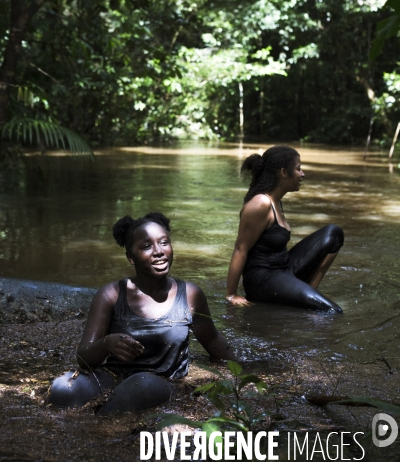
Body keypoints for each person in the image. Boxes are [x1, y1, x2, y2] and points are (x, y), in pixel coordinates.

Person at [49, 212, 235, 414]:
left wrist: (246, 373)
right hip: (115, 376)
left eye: (164, 243)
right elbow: (84, 357)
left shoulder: (190, 295)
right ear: (131, 257)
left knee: (141, 384)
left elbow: (214, 341)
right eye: (146, 247)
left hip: (161, 383)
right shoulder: (111, 295)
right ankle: (101, 417)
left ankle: (99, 424)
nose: (159, 251)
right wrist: (107, 343)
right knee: (62, 388)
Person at [226, 146, 344, 313]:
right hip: (263, 280)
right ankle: (308, 303)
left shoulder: (276, 200)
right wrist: (231, 295)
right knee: (332, 311)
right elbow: (240, 249)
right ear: (283, 172)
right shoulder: (261, 204)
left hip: (284, 268)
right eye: (298, 169)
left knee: (334, 234)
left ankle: (310, 290)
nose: (302, 174)